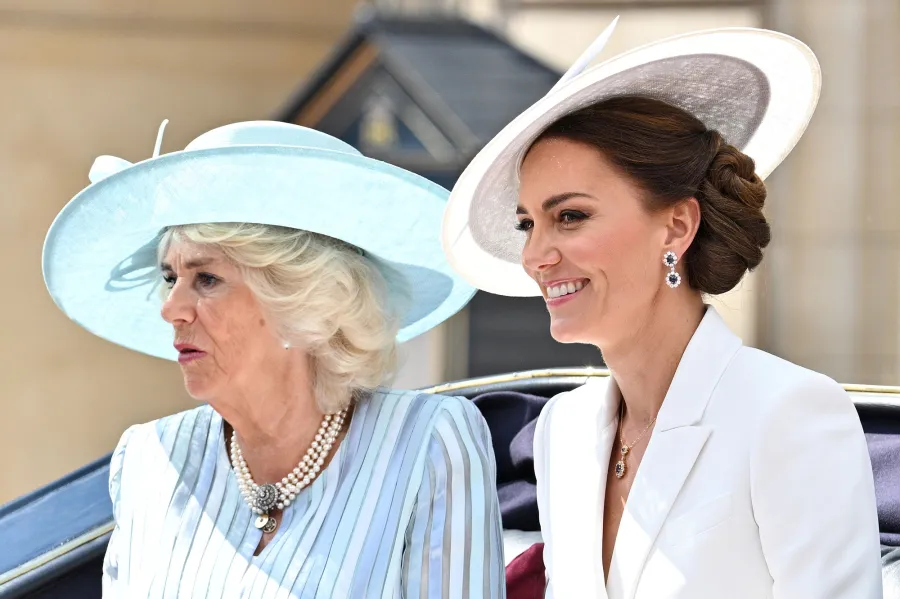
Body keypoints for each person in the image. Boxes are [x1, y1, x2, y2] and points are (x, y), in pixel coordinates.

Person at [442, 23, 882, 598]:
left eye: (570, 216)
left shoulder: (787, 412)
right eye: (528, 224)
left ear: (676, 225)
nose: (535, 256)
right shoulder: (562, 430)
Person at [42, 121, 506, 597]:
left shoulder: (428, 442)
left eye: (206, 279)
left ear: (302, 304)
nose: (171, 308)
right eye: (169, 278)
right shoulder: (149, 458)